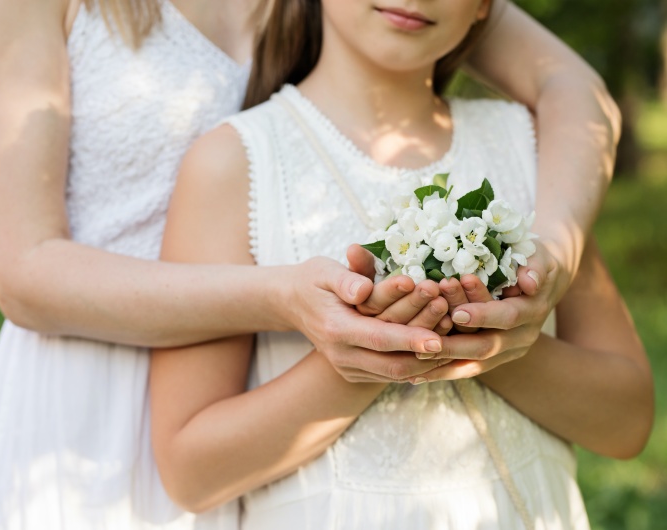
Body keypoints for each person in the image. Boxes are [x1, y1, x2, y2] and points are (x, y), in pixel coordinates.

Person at [0, 0, 621, 527]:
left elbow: (574, 90)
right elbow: (22, 271)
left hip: (264, 404)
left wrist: (549, 260)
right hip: (87, 409)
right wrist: (289, 301)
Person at [149, 0, 653, 528]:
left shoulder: (535, 150)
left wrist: (492, 334)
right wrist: (376, 349)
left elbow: (627, 421)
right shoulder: (234, 163)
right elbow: (191, 473)